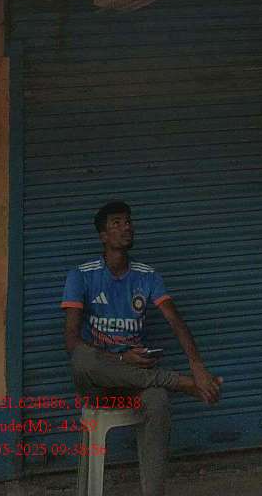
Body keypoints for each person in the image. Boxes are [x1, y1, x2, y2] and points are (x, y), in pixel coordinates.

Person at [61, 199, 222, 496]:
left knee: (158, 400)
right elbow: (71, 340)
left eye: (128, 221)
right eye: (117, 223)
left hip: (135, 382)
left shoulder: (147, 276)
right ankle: (179, 382)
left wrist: (197, 365)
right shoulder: (81, 275)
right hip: (98, 382)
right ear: (103, 236)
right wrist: (122, 358)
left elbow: (174, 320)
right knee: (82, 357)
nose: (126, 227)